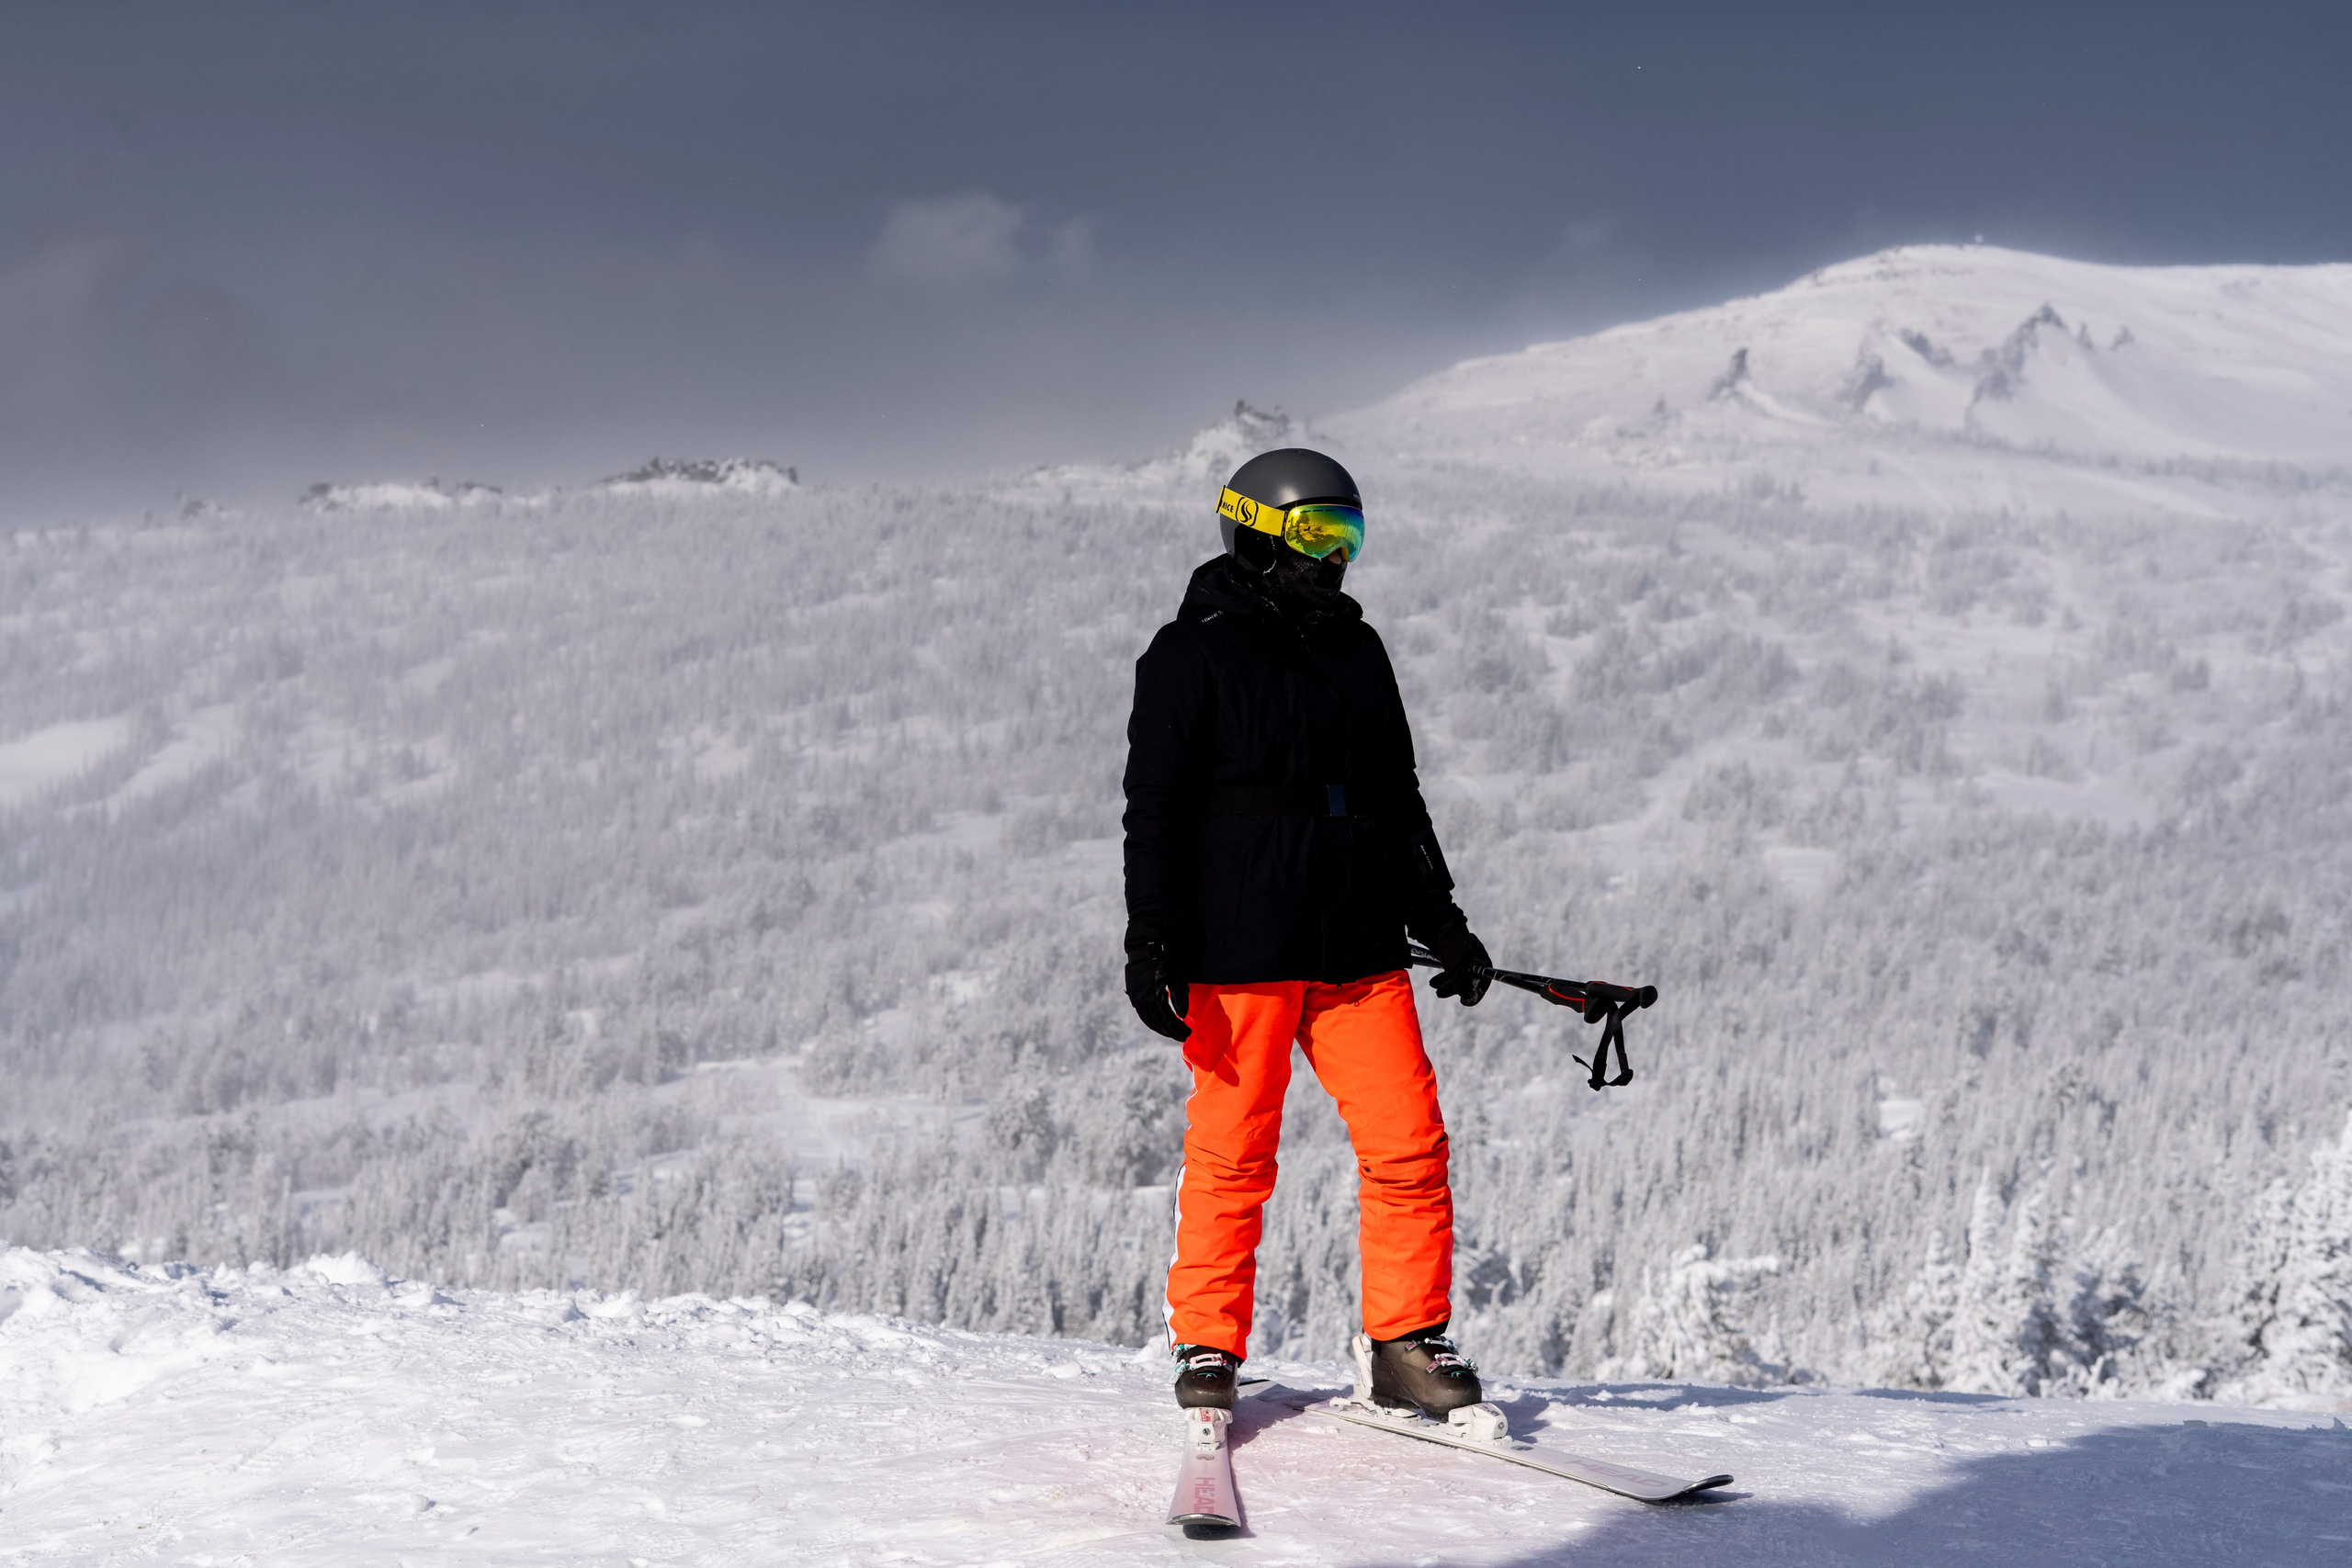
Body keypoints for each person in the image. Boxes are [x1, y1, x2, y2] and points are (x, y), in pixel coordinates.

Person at [1122, 447, 1492, 1416]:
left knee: (1408, 1144)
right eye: (1316, 533)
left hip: (1357, 948)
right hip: (1239, 950)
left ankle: (1405, 1343)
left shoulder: (1356, 652)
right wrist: (1151, 939)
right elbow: (1153, 807)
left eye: (1349, 536)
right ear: (1253, 531)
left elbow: (1394, 801)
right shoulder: (1188, 653)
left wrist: (1442, 922)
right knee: (1232, 1155)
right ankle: (1207, 1346)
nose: (1336, 557)